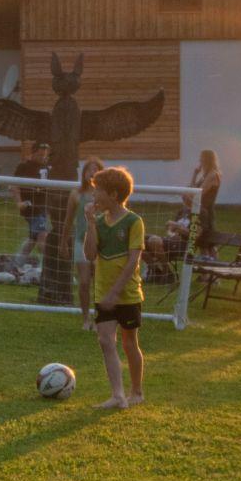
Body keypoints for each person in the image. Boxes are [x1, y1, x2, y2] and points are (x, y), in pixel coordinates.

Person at [83, 164, 146, 410]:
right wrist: (90, 224)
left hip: (127, 294)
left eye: (98, 190)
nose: (94, 195)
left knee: (130, 343)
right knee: (106, 340)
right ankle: (118, 395)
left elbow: (133, 262)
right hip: (103, 293)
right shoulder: (99, 222)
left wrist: (115, 292)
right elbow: (90, 255)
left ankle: (136, 391)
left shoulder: (134, 222)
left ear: (113, 194)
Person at [71, 156, 105, 330]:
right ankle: (85, 318)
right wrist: (63, 242)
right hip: (80, 242)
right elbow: (68, 220)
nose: (92, 173)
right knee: (84, 282)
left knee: (100, 283)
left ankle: (100, 318)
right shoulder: (77, 194)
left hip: (102, 244)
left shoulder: (106, 195)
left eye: (95, 170)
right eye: (89, 169)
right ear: (84, 173)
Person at [13, 141, 52, 264]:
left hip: (43, 207)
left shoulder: (46, 167)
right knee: (42, 237)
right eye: (40, 155)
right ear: (33, 153)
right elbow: (14, 185)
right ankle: (46, 267)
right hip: (31, 207)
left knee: (33, 238)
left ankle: (17, 263)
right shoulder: (24, 166)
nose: (43, 157)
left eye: (45, 155)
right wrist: (19, 202)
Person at [191, 149, 222, 246]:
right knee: (204, 245)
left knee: (207, 244)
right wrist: (195, 174)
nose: (200, 161)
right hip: (199, 210)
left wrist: (188, 195)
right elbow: (192, 189)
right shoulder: (205, 175)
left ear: (207, 160)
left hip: (206, 212)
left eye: (201, 159)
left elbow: (200, 192)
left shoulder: (213, 175)